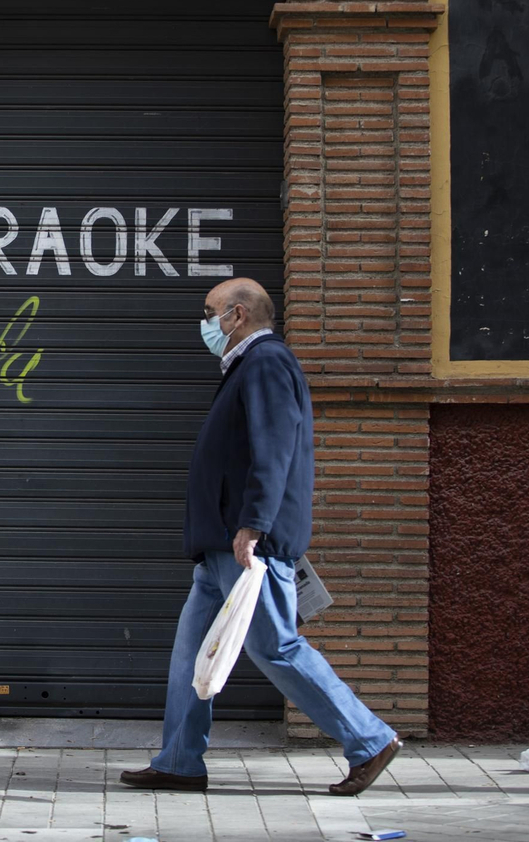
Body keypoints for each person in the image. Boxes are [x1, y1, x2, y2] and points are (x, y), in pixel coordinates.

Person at [119, 277, 402, 797]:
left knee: (275, 645)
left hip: (245, 540)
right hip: (218, 545)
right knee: (191, 656)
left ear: (238, 315)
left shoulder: (267, 361)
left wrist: (255, 524)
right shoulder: (248, 366)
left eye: (210, 312)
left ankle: (369, 739)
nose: (204, 323)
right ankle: (180, 760)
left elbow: (273, 450)